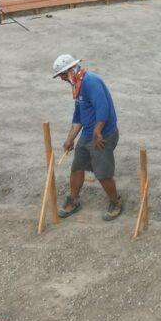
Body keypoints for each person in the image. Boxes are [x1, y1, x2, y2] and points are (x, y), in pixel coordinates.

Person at [51, 54, 123, 221]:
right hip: (89, 133)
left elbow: (103, 108)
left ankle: (116, 202)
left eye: (62, 75)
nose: (62, 79)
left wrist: (98, 132)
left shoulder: (90, 81)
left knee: (102, 173)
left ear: (71, 70)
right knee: (77, 167)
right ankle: (74, 200)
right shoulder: (77, 85)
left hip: (103, 134)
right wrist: (70, 139)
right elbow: (78, 117)